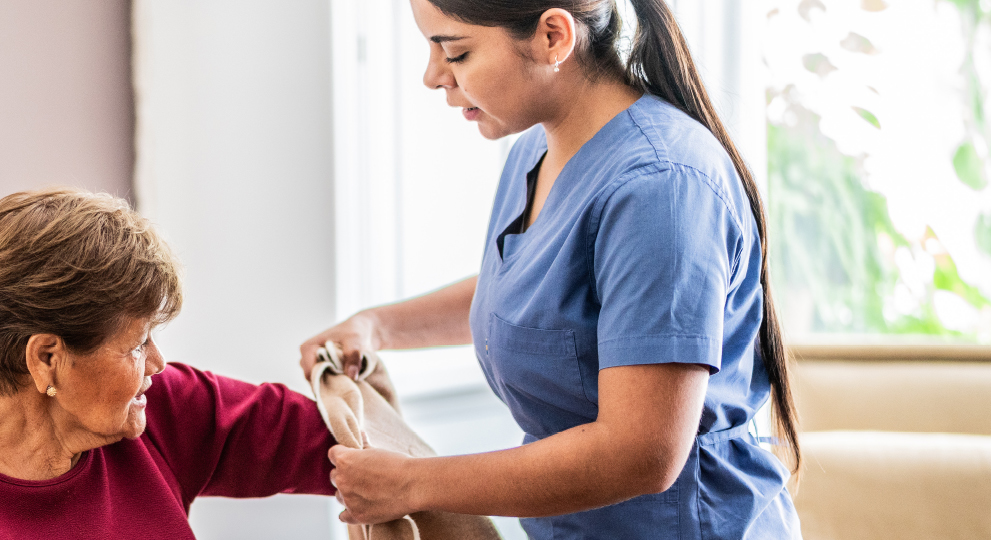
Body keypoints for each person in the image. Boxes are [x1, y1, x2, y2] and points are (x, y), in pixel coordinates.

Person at [303, 0, 802, 538]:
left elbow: (641, 453)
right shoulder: (535, 152)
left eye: (456, 52)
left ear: (552, 37)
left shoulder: (662, 187)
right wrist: (376, 327)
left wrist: (413, 483)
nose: (433, 77)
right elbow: (539, 293)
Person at [0, 188, 342, 539]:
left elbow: (344, 445)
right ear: (47, 359)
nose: (157, 362)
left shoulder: (156, 405)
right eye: (137, 344)